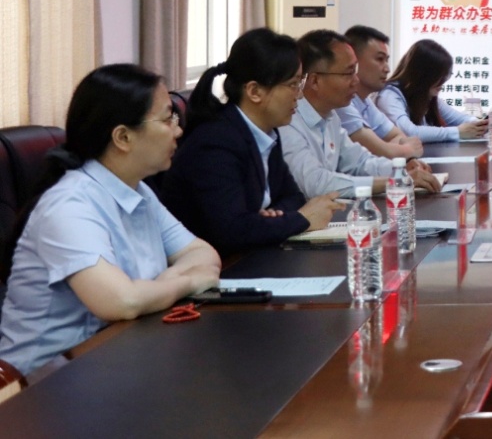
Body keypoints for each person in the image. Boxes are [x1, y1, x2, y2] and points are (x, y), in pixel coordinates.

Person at [0, 65, 221, 377]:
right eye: (167, 119)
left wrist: (154, 289)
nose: (178, 130)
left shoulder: (138, 190)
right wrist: (187, 283)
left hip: (120, 357)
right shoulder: (68, 205)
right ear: (123, 137)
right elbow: (122, 302)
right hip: (43, 382)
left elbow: (203, 255)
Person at [161, 28, 342, 254]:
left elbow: (292, 196)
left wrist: (273, 218)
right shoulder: (214, 143)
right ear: (255, 91)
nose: (299, 94)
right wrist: (302, 219)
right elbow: (231, 230)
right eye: (293, 85)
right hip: (219, 264)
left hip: (255, 254)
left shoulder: (267, 132)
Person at [280, 29, 440, 198]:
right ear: (315, 81)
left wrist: (401, 169)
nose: (356, 80)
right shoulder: (288, 122)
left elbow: (360, 162)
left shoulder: (330, 117)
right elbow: (316, 183)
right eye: (348, 73)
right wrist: (396, 180)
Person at [377, 38, 489, 145]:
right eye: (440, 77)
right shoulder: (389, 96)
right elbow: (409, 132)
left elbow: (458, 118)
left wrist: (481, 124)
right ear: (423, 76)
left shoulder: (426, 96)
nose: (443, 82)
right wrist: (457, 132)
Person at [337, 25, 424, 159]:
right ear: (353, 61)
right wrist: (406, 149)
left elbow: (398, 136)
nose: (387, 69)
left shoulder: (365, 100)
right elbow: (383, 152)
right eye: (379, 59)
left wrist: (387, 148)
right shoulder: (341, 102)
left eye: (386, 60)